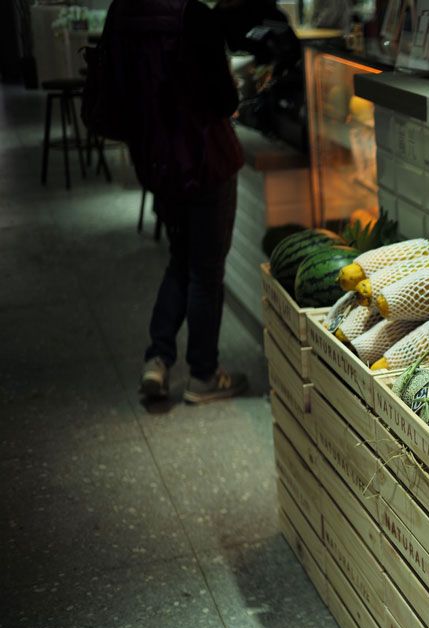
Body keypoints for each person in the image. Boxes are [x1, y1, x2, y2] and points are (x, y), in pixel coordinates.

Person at [100, 0, 248, 403]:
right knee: (206, 269)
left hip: (155, 162)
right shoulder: (194, 15)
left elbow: (113, 93)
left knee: (181, 258)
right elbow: (222, 101)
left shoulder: (121, 13)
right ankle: (203, 374)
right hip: (205, 162)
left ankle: (158, 360)